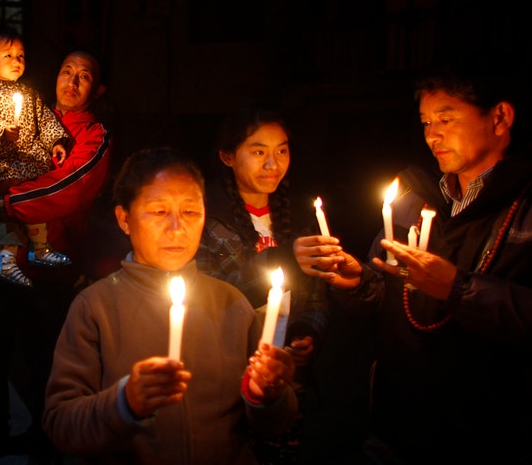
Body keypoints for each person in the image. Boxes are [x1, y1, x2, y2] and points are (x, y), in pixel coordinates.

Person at [293, 54, 532, 463]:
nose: (432, 135)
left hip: (491, 436)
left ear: (500, 118)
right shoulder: (412, 200)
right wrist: (355, 280)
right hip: (396, 431)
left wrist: (458, 289)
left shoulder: (524, 210)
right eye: (425, 122)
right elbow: (385, 294)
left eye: (446, 118)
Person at [43, 147, 298, 464]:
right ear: (124, 218)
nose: (177, 228)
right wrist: (126, 402)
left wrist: (268, 395)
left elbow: (272, 424)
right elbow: (61, 424)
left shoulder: (232, 303)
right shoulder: (94, 308)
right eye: (159, 211)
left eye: (190, 212)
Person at [0, 49, 113, 465]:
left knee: (46, 360)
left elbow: (70, 188)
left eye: (84, 75)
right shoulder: (26, 111)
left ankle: (46, 440)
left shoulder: (93, 135)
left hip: (47, 270)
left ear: (97, 89)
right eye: (66, 71)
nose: (72, 81)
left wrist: (9, 200)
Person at [195, 108, 332, 463]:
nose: (273, 163)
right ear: (228, 156)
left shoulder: (297, 217)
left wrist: (306, 332)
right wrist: (281, 258)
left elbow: (316, 297)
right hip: (226, 375)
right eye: (259, 152)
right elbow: (211, 295)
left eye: (282, 150)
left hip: (286, 380)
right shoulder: (205, 217)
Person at [0, 24, 72, 288]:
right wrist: (0, 131)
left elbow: (45, 120)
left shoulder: (30, 95)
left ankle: (33, 250)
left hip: (26, 166)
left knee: (34, 200)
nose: (16, 61)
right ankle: (12, 258)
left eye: (20, 55)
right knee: (16, 202)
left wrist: (56, 140)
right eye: (7, 55)